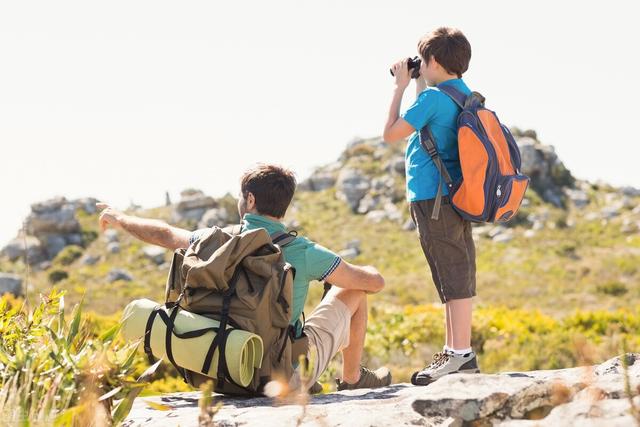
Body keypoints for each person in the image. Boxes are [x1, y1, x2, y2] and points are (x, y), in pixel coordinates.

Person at [97, 163, 392, 392]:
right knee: (352, 292)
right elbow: (373, 283)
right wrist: (367, 270)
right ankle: (352, 379)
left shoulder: (211, 240)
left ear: (249, 200)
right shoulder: (303, 251)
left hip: (222, 368)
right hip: (278, 379)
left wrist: (121, 219)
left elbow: (163, 233)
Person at [382, 27, 479, 384]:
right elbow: (428, 125)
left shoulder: (432, 99)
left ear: (433, 61)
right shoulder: (461, 94)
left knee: (450, 273)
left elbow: (391, 133)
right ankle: (455, 351)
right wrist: (420, 82)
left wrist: (399, 87)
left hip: (431, 197)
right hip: (455, 196)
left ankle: (459, 354)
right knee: (454, 270)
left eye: (422, 61)